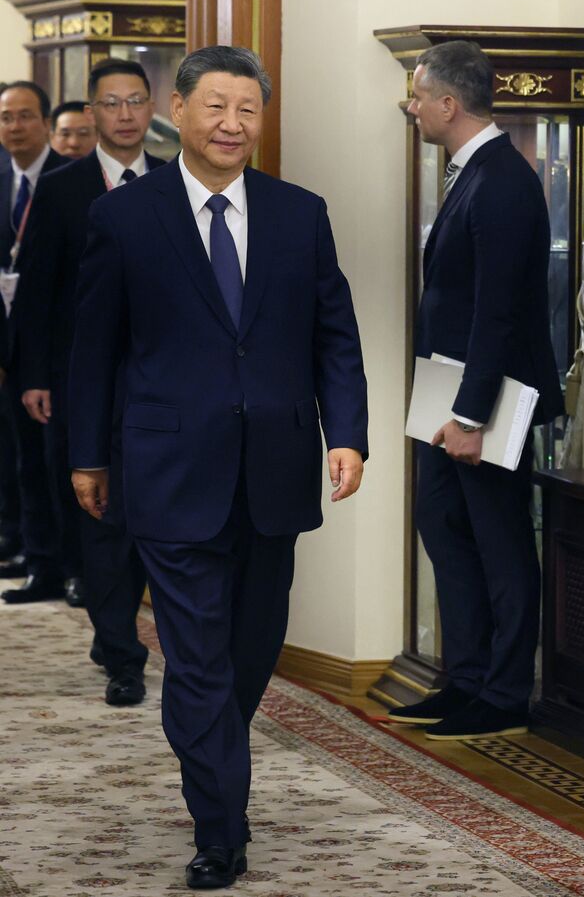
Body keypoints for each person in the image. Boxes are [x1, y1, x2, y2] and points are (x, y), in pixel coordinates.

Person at [68, 45, 369, 890]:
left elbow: (332, 333)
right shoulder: (127, 218)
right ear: (181, 110)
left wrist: (346, 431)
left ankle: (214, 760)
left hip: (273, 468)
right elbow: (94, 349)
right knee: (196, 656)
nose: (233, 124)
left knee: (251, 646)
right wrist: (87, 453)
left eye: (248, 110)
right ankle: (220, 826)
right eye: (217, 107)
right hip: (167, 468)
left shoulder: (299, 213)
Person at [383, 40, 563, 741]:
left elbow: (499, 312)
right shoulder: (472, 171)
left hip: (484, 404)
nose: (411, 105)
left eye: (418, 94)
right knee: (445, 528)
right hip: (446, 393)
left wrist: (469, 414)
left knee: (500, 542)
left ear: (449, 104)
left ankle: (505, 690)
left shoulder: (504, 181)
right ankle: (464, 677)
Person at [18, 59, 164, 706]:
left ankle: (135, 638)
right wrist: (34, 376)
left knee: (156, 517)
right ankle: (121, 654)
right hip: (85, 381)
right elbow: (38, 293)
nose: (126, 114)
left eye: (137, 101)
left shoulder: (173, 182)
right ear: (94, 112)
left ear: (153, 107)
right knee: (99, 516)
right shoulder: (63, 187)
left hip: (163, 384)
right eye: (113, 103)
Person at [0, 81, 71, 604]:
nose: (14, 127)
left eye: (25, 117)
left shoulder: (70, 180)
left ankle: (71, 565)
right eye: (6, 118)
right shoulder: (2, 177)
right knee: (21, 458)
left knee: (57, 460)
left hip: (54, 344)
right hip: (8, 343)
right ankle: (39, 560)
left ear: (45, 123)